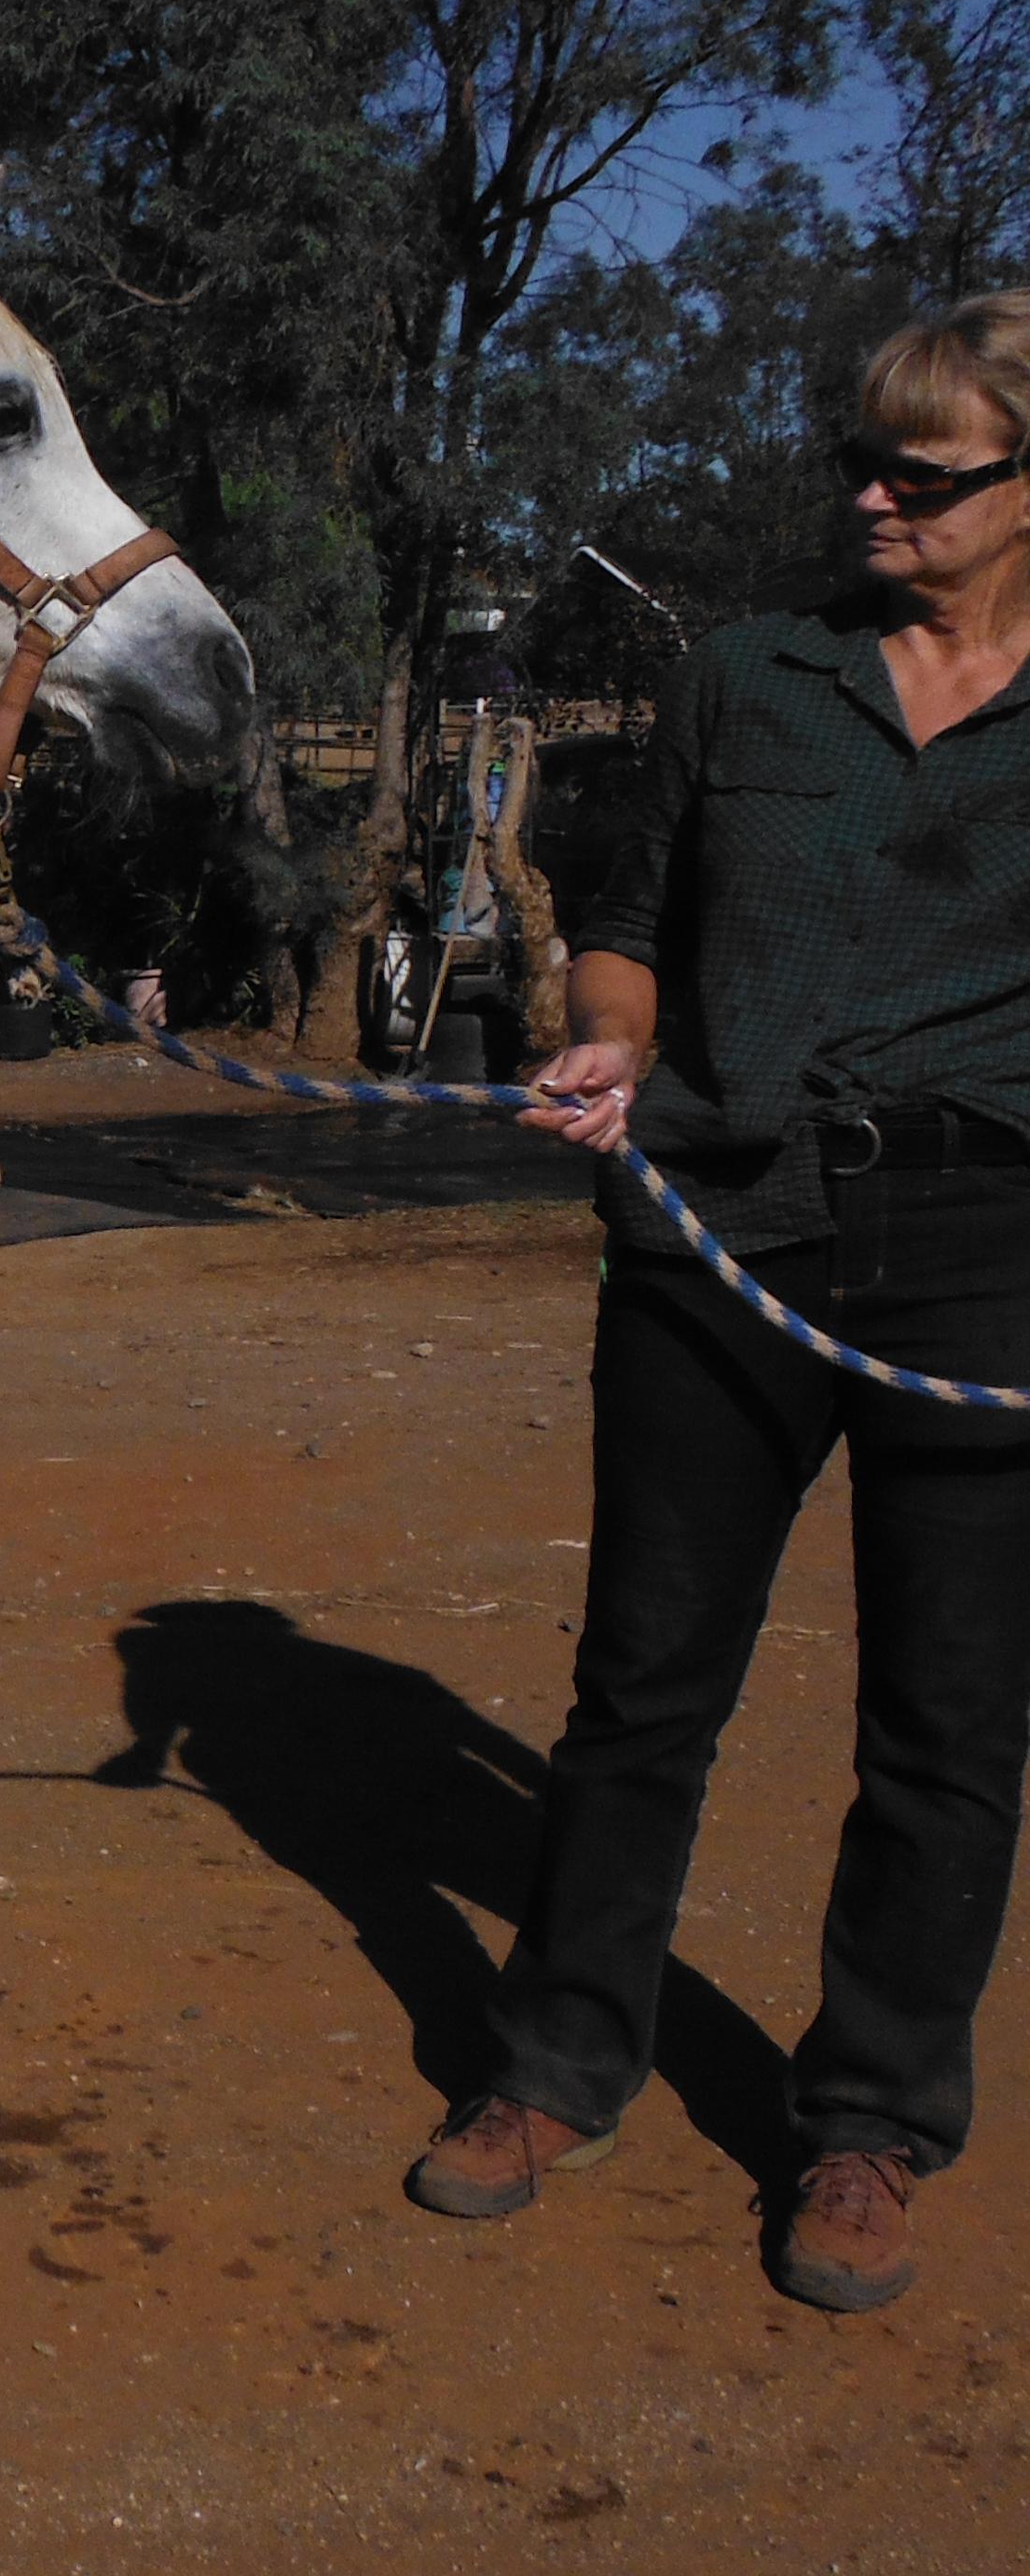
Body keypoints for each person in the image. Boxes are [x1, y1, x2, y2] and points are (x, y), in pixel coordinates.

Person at [413, 292, 1030, 2315]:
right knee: (646, 1684)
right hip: (722, 1219)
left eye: (919, 475)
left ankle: (865, 2125)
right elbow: (626, 923)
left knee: (948, 1721)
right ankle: (557, 2065)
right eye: (863, 456)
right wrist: (605, 1043)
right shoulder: (752, 676)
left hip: (989, 1250)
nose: (869, 495)